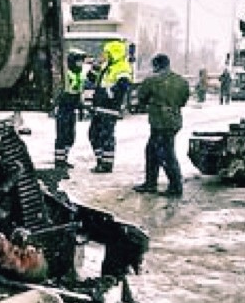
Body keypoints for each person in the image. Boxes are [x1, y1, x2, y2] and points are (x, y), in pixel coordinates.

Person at [134, 53, 191, 195]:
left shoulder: (151, 81)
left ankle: (175, 187)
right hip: (174, 121)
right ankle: (151, 183)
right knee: (153, 151)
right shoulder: (181, 81)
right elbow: (183, 101)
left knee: (166, 154)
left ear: (156, 65)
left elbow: (141, 98)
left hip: (159, 122)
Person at [88, 38, 132, 173]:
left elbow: (123, 86)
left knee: (106, 136)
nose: (104, 55)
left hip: (109, 108)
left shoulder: (122, 67)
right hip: (100, 107)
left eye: (107, 53)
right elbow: (91, 79)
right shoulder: (108, 66)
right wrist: (95, 68)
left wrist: (109, 94)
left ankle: (106, 164)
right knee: (93, 134)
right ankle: (100, 160)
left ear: (115, 52)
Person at [51, 50, 85, 177]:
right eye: (78, 61)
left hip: (71, 109)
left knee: (70, 136)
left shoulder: (79, 74)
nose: (80, 64)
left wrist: (80, 107)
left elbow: (79, 92)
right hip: (64, 109)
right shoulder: (67, 74)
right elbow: (61, 92)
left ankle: (64, 158)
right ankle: (59, 160)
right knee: (62, 135)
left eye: (81, 61)